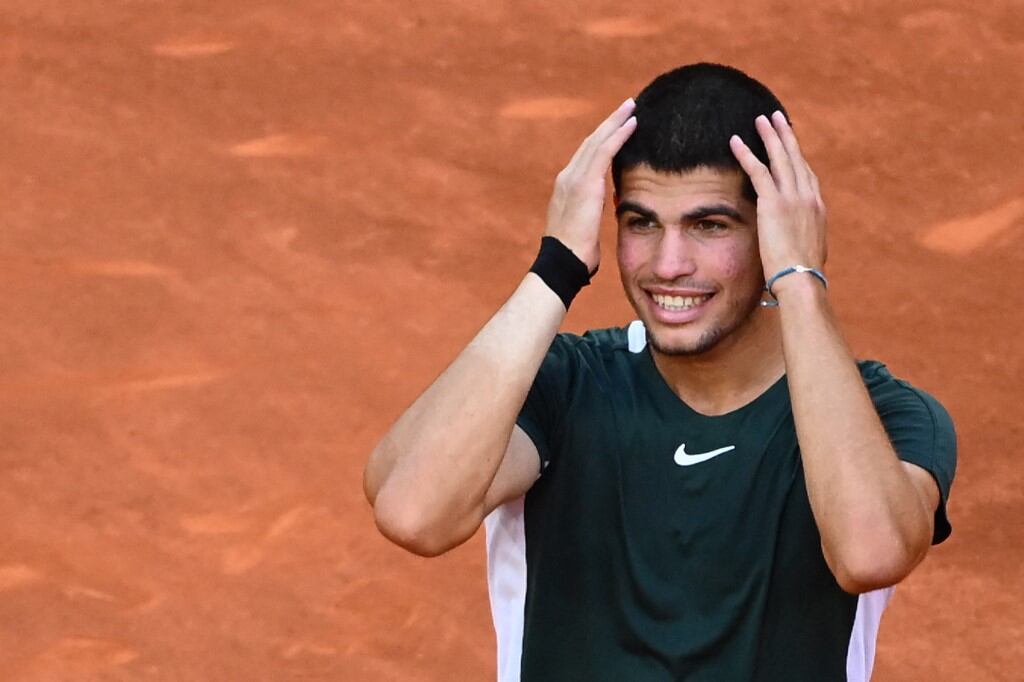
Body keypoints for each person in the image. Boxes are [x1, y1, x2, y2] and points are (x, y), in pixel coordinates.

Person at [363, 63, 957, 681]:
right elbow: (414, 512)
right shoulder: (564, 386)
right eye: (641, 223)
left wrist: (801, 277)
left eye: (709, 225)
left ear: (776, 227)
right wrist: (556, 266)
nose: (669, 264)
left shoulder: (881, 417)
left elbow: (870, 553)